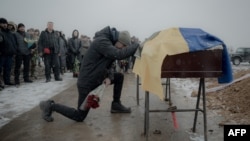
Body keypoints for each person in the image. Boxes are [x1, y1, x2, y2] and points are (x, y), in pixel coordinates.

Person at [39, 26, 139, 122]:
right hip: (87, 82)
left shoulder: (110, 44)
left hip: (97, 77)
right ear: (119, 41)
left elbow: (110, 64)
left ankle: (116, 105)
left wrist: (109, 77)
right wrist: (137, 45)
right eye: (124, 46)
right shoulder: (102, 42)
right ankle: (50, 106)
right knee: (79, 116)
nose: (123, 48)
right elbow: (119, 55)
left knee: (119, 77)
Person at [0, 18, 17, 86]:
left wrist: (14, 50)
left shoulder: (10, 33)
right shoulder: (0, 32)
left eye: (5, 23)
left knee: (8, 69)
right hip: (2, 54)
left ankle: (7, 81)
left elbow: (13, 43)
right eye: (2, 23)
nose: (4, 25)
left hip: (10, 54)